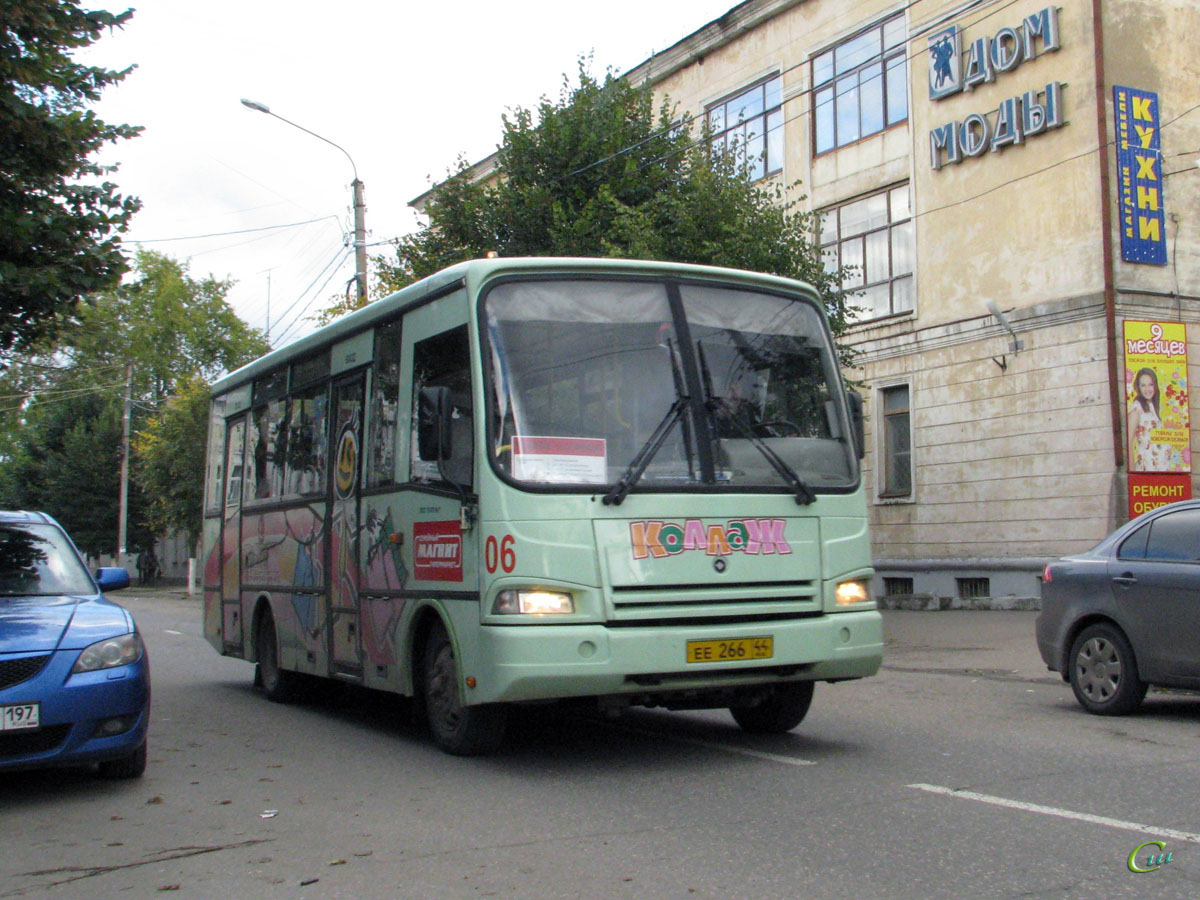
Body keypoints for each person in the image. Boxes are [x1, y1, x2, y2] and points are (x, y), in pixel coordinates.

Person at [1128, 367, 1170, 471]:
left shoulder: (1152, 406)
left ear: (1155, 385)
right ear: (1138, 387)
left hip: (1161, 471)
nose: (1147, 389)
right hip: (1146, 472)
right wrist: (1132, 474)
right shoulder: (1137, 409)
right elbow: (1127, 443)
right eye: (1143, 385)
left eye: (1150, 384)